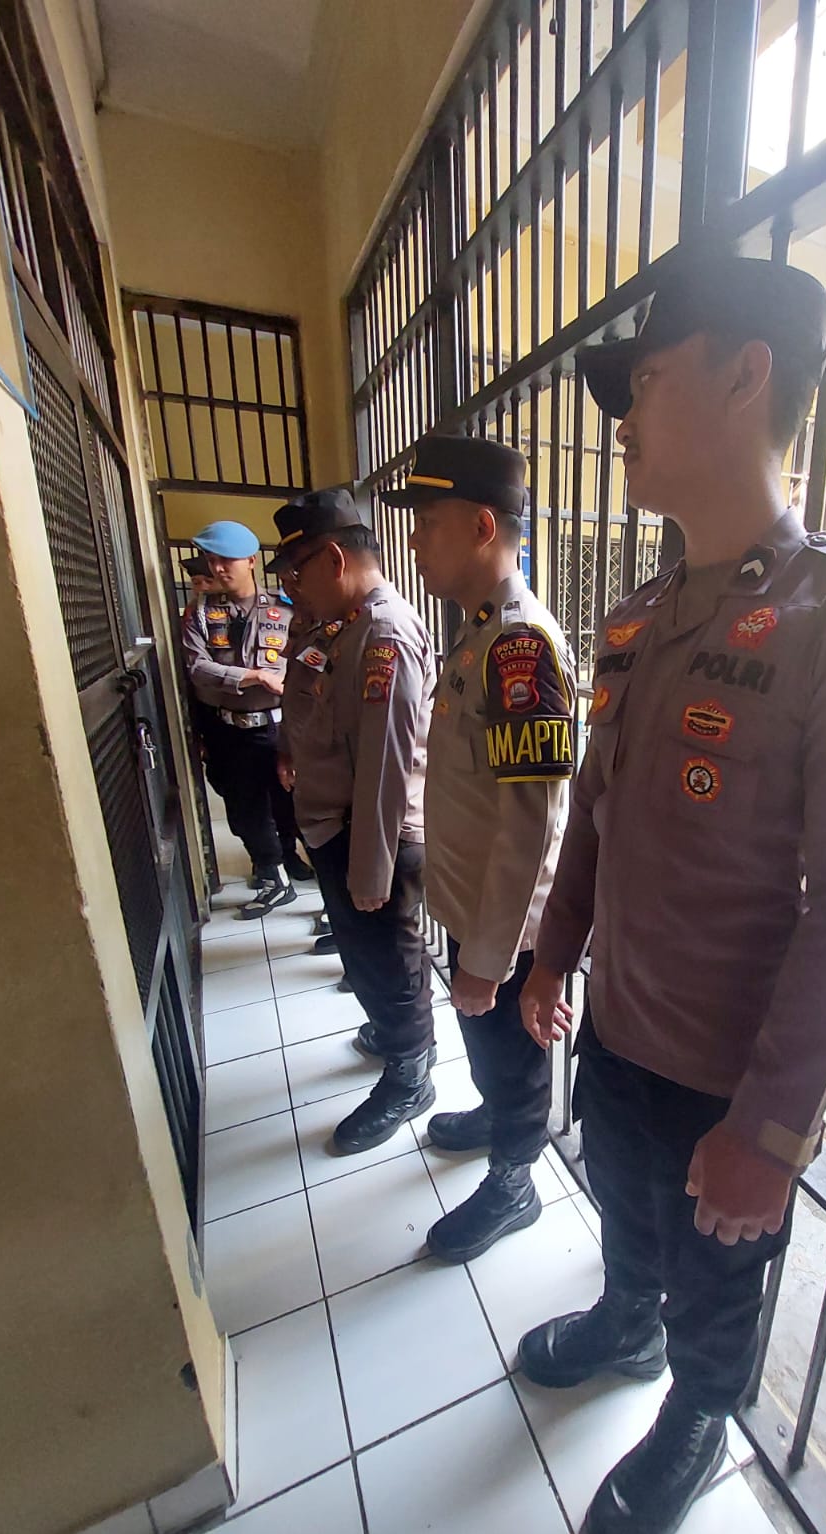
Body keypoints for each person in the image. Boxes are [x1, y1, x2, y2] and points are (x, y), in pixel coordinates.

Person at [517, 246, 826, 1534]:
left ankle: (700, 1413)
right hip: (620, 1031)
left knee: (716, 1277)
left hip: (728, 1071)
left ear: (744, 374)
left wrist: (771, 1128)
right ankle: (624, 1323)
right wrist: (552, 955)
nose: (622, 419)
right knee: (626, 1212)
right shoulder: (641, 619)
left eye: (644, 381)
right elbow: (596, 810)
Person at [381, 435, 576, 1263]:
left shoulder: (521, 648)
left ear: (481, 526)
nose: (415, 539)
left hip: (509, 926)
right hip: (471, 908)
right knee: (486, 1045)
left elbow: (531, 828)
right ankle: (497, 1116)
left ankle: (515, 1178)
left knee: (510, 1052)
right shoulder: (477, 637)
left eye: (428, 521)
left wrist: (490, 959)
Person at [270, 488, 437, 1153]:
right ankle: (395, 1034)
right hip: (335, 827)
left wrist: (371, 868)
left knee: (389, 961)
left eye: (297, 571)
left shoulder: (383, 635)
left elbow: (387, 766)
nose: (291, 586)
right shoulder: (337, 622)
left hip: (373, 836)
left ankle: (412, 1072)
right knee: (364, 956)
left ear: (334, 560)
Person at [180, 520, 312, 917]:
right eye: (212, 560)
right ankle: (271, 874)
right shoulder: (202, 611)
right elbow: (197, 667)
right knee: (244, 809)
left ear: (251, 561)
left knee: (291, 801)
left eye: (228, 560)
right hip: (229, 729)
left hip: (279, 726)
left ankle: (288, 860)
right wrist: (252, 676)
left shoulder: (286, 608)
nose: (219, 568)